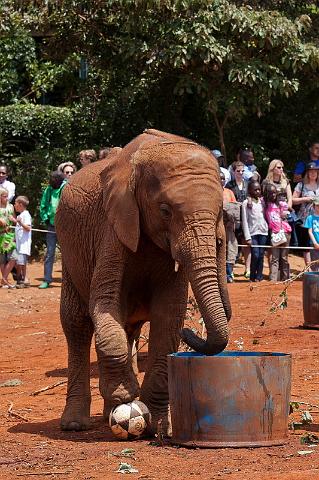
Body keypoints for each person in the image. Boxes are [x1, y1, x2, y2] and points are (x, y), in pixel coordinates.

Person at [39, 171, 66, 289]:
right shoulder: (48, 190)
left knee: (67, 254)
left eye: (55, 179)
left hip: (65, 227)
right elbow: (43, 205)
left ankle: (68, 281)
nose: (53, 181)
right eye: (52, 179)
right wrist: (45, 218)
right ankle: (47, 279)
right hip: (51, 225)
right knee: (50, 253)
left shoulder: (65, 187)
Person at [226, 160, 251, 278]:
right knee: (233, 243)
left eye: (242, 171)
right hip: (234, 218)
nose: (240, 173)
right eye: (238, 171)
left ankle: (248, 269)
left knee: (246, 242)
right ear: (233, 171)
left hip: (246, 217)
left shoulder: (248, 184)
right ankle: (231, 270)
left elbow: (252, 196)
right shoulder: (229, 185)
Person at [292, 162, 319, 267]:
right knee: (306, 245)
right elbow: (293, 200)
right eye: (310, 172)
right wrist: (305, 199)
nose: (313, 174)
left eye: (315, 172)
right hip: (304, 219)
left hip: (318, 219)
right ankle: (309, 269)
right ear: (307, 173)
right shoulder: (301, 185)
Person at [242, 181, 269, 282]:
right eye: (255, 190)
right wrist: (247, 237)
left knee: (261, 255)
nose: (258, 191)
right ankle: (252, 276)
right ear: (250, 190)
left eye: (259, 189)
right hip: (252, 233)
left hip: (263, 232)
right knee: (255, 254)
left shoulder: (263, 202)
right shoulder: (246, 203)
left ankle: (259, 276)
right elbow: (245, 220)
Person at [264, 183, 291, 281]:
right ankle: (273, 280)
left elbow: (286, 214)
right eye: (271, 193)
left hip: (285, 232)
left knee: (284, 257)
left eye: (275, 192)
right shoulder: (265, 203)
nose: (273, 195)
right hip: (274, 233)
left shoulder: (281, 204)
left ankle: (286, 279)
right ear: (267, 193)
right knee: (274, 257)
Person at [9, 196, 32, 288]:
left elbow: (28, 228)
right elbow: (18, 229)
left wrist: (19, 222)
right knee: (19, 263)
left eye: (15, 203)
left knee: (21, 263)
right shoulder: (20, 215)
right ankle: (20, 280)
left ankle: (22, 280)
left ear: (20, 204)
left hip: (24, 244)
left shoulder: (26, 214)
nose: (14, 205)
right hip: (19, 244)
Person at [220, 170, 239, 283]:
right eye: (220, 178)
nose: (222, 180)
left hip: (229, 226)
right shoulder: (213, 191)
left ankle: (229, 273)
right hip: (216, 227)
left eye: (223, 178)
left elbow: (235, 207)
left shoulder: (229, 192)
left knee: (231, 249)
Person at [0, 187, 17, 288]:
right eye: (4, 196)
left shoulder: (11, 206)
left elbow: (14, 219)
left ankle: (4, 279)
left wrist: (13, 220)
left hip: (10, 235)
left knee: (13, 257)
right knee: (2, 260)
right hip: (1, 235)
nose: (6, 198)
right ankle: (5, 281)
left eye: (7, 196)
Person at [304, 197, 319, 271]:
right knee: (315, 265)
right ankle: (316, 281)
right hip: (314, 244)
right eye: (317, 205)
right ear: (313, 206)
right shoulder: (310, 218)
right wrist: (315, 243)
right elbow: (310, 231)